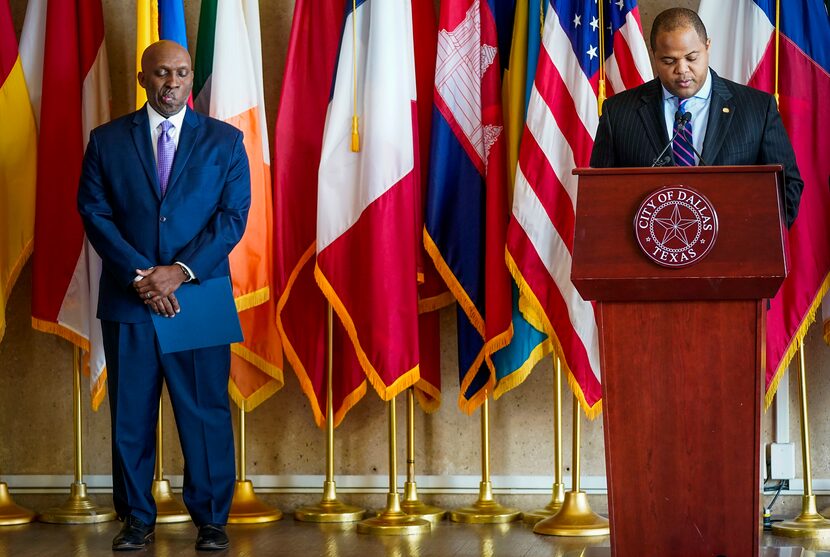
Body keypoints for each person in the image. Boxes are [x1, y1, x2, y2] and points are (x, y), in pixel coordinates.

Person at [77, 40, 250, 551]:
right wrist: (142, 277)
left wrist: (178, 271)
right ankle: (136, 520)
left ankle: (212, 520)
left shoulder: (225, 141)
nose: (171, 81)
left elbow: (232, 218)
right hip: (130, 299)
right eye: (160, 73)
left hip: (199, 297)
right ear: (142, 79)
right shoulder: (106, 141)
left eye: (180, 72)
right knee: (130, 414)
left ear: (190, 77)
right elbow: (95, 212)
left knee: (205, 413)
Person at [590, 7, 803, 227]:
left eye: (691, 57)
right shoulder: (618, 113)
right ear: (653, 55)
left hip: (733, 256)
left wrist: (750, 245)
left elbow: (787, 186)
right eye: (668, 61)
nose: (682, 70)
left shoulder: (757, 108)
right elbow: (600, 195)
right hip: (648, 252)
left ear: (707, 47)